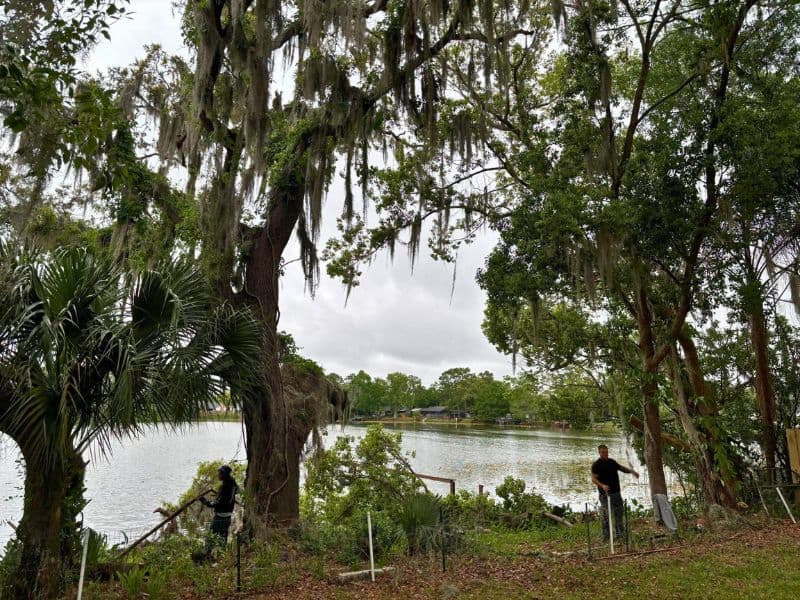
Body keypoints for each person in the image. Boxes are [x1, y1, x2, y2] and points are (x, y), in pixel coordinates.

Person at [591, 444, 639, 542]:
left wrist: (632, 471)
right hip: (605, 495)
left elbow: (621, 468)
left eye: (606, 452)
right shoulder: (596, 465)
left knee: (619, 514)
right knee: (606, 516)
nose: (605, 454)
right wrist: (602, 485)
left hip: (616, 493)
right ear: (599, 452)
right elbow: (593, 479)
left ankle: (620, 534)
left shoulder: (612, 462)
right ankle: (607, 536)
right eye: (603, 452)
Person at [200, 464, 238, 556]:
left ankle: (206, 554)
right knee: (223, 537)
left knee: (211, 535)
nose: (218, 475)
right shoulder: (233, 484)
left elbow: (219, 503)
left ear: (224, 475)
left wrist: (204, 501)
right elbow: (229, 496)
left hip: (220, 516)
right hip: (228, 516)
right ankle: (223, 556)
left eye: (220, 473)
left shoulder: (224, 487)